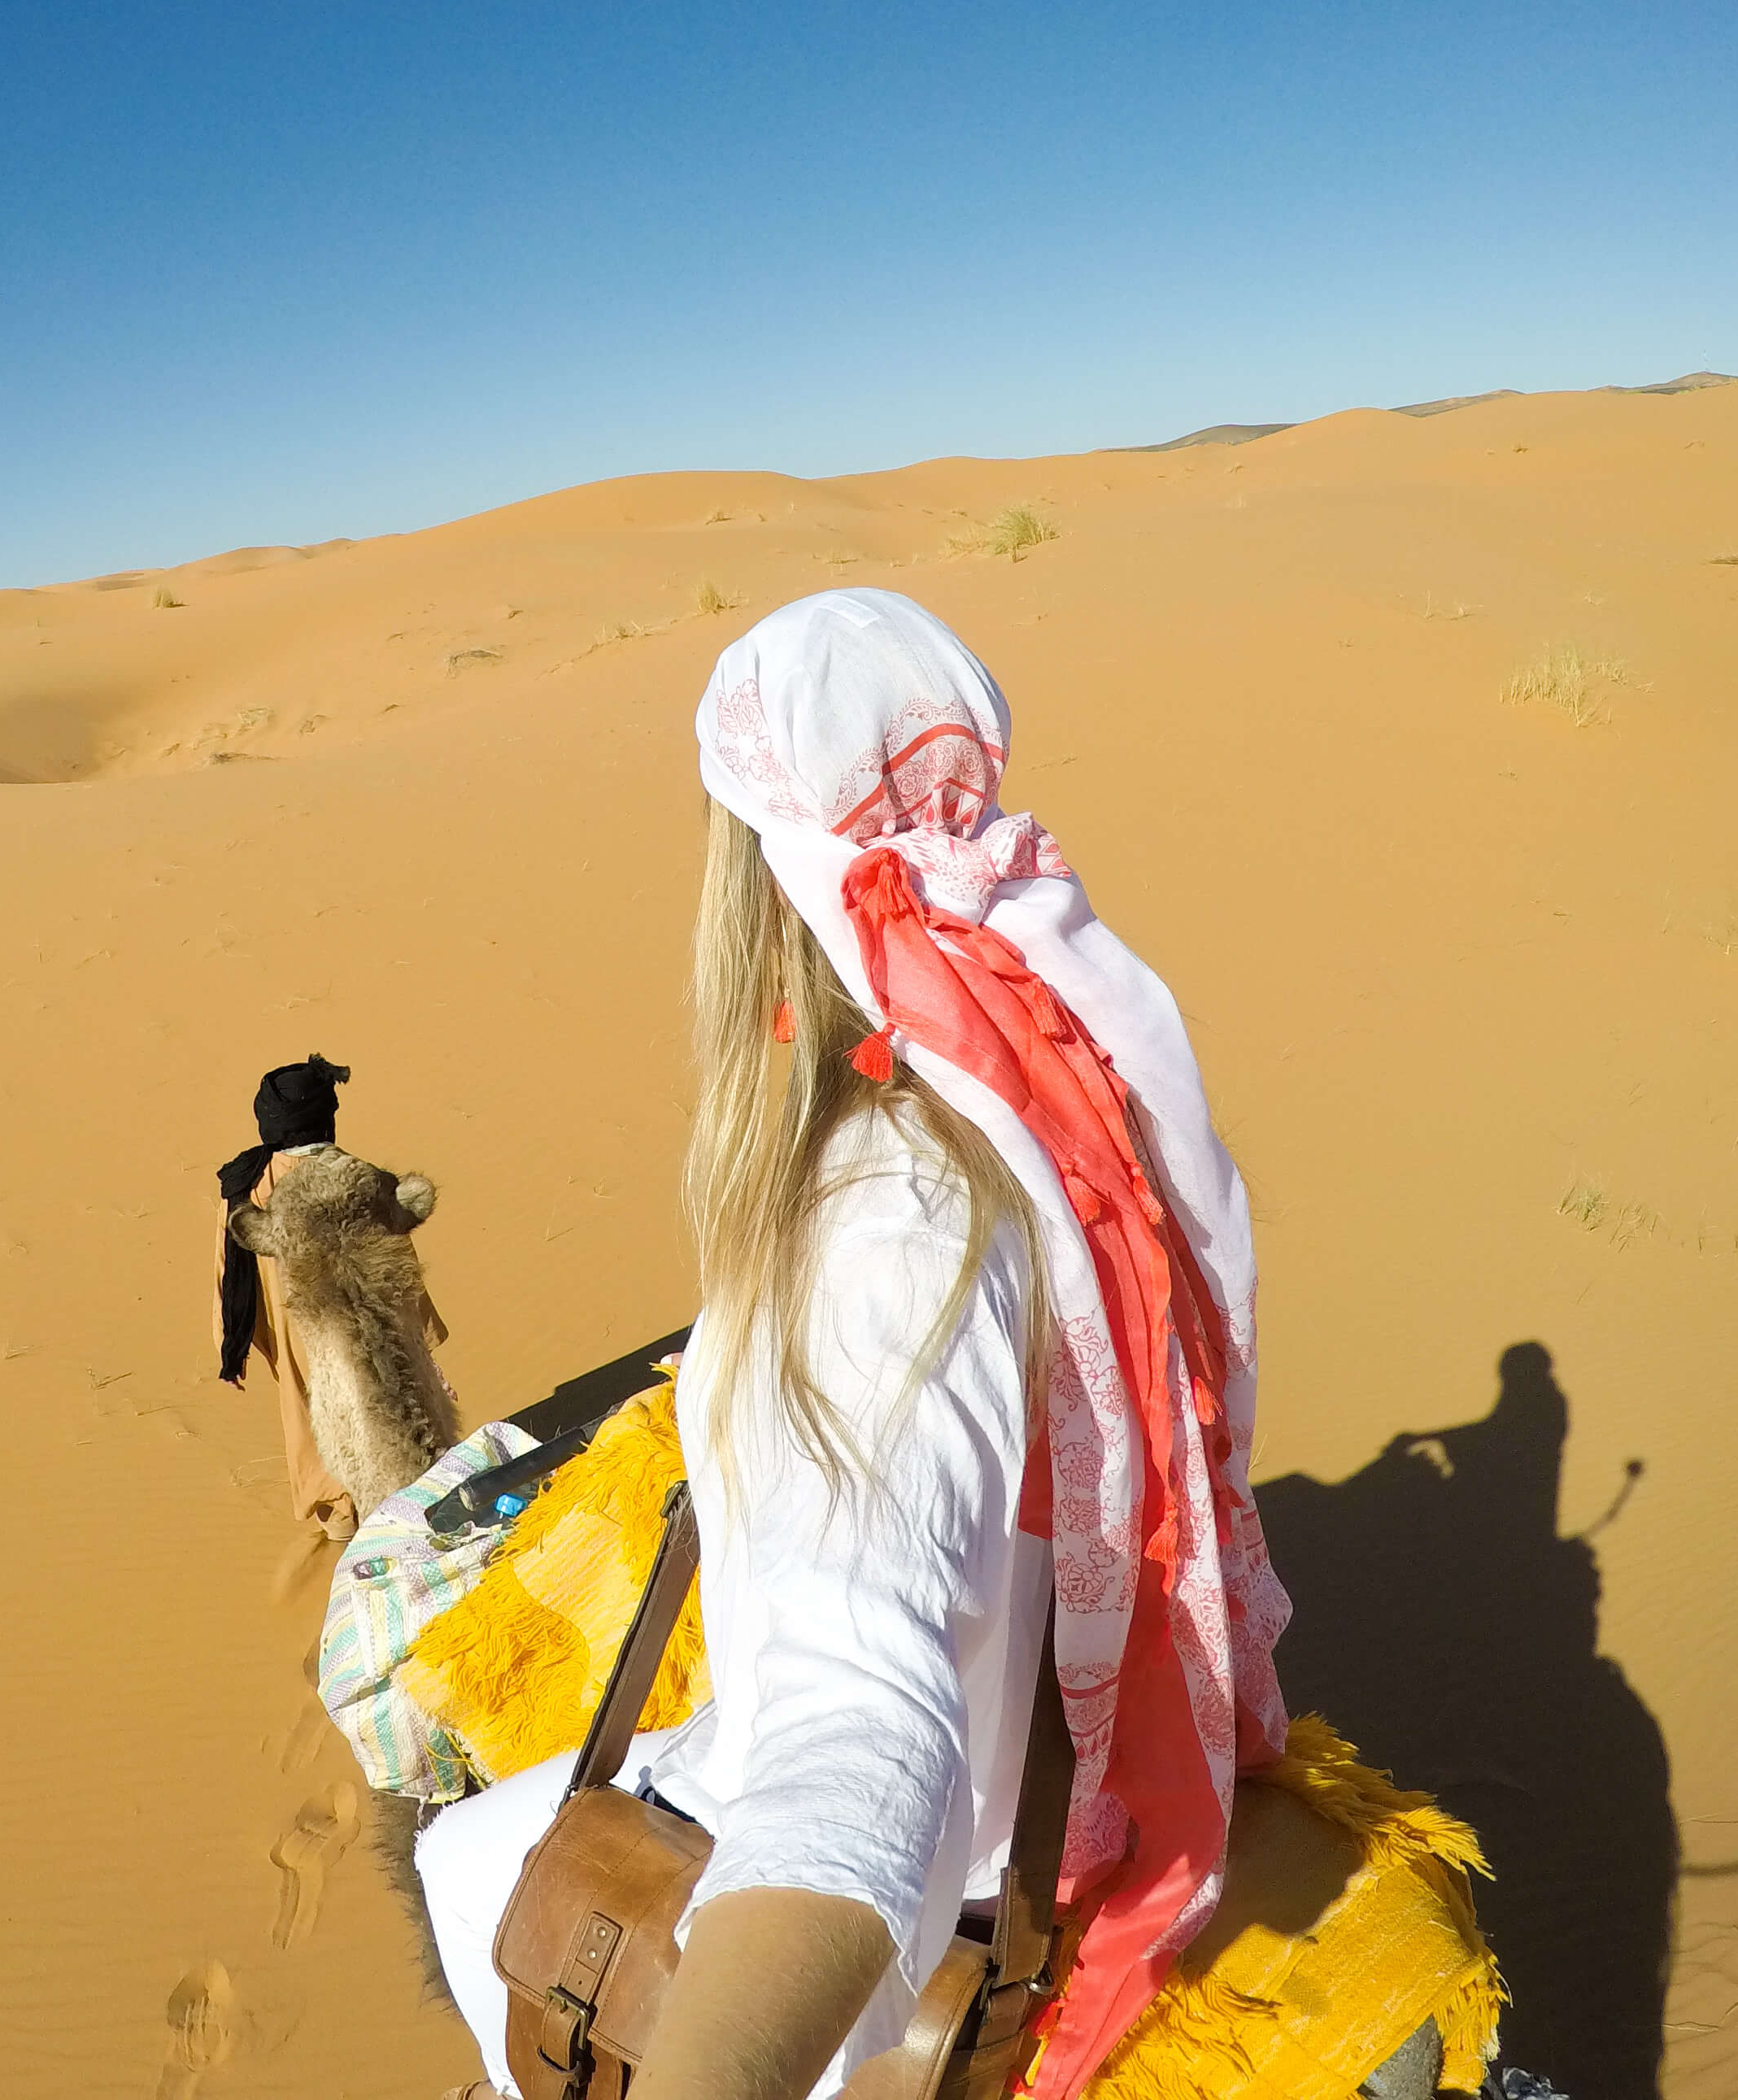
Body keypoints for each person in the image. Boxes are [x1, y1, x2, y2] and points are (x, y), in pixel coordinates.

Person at [415, 590, 1290, 2100]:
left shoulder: (884, 1213)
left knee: (464, 1857)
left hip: (894, 1930)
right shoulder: (1042, 1102)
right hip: (1008, 1793)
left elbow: (857, 1729)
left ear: (763, 875)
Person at [214, 1052, 450, 1539]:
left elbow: (227, 1270)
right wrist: (420, 1320)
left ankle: (339, 1511)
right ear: (328, 1117)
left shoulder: (246, 1187)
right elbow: (399, 1253)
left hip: (295, 1321)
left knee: (306, 1407)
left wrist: (231, 1343)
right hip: (360, 1314)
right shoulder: (360, 1176)